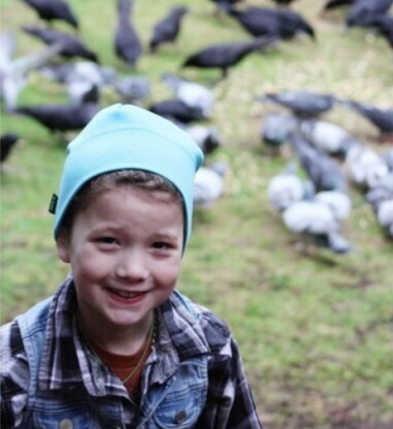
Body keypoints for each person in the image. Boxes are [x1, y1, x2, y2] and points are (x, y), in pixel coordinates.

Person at [0, 104, 262, 428]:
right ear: (65, 239)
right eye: (109, 241)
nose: (133, 270)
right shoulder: (12, 370)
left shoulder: (211, 348)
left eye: (160, 246)